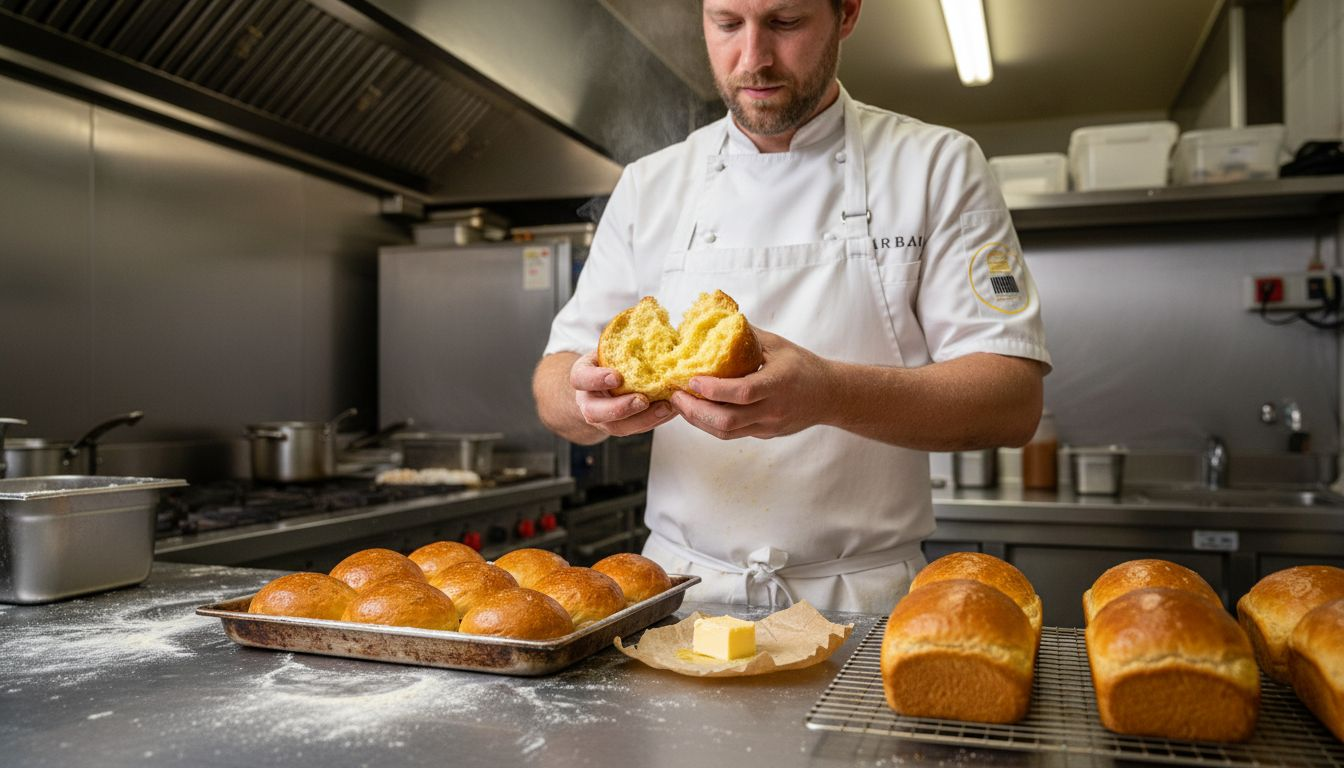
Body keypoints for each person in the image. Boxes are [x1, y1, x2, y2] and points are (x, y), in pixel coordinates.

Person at [532, 0, 1050, 613]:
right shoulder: (651, 185)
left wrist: (829, 393)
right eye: (727, 24)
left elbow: (1013, 402)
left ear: (847, 14)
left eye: (785, 23)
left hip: (863, 601)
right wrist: (588, 398)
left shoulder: (936, 165)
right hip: (677, 597)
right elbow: (552, 385)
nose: (752, 58)